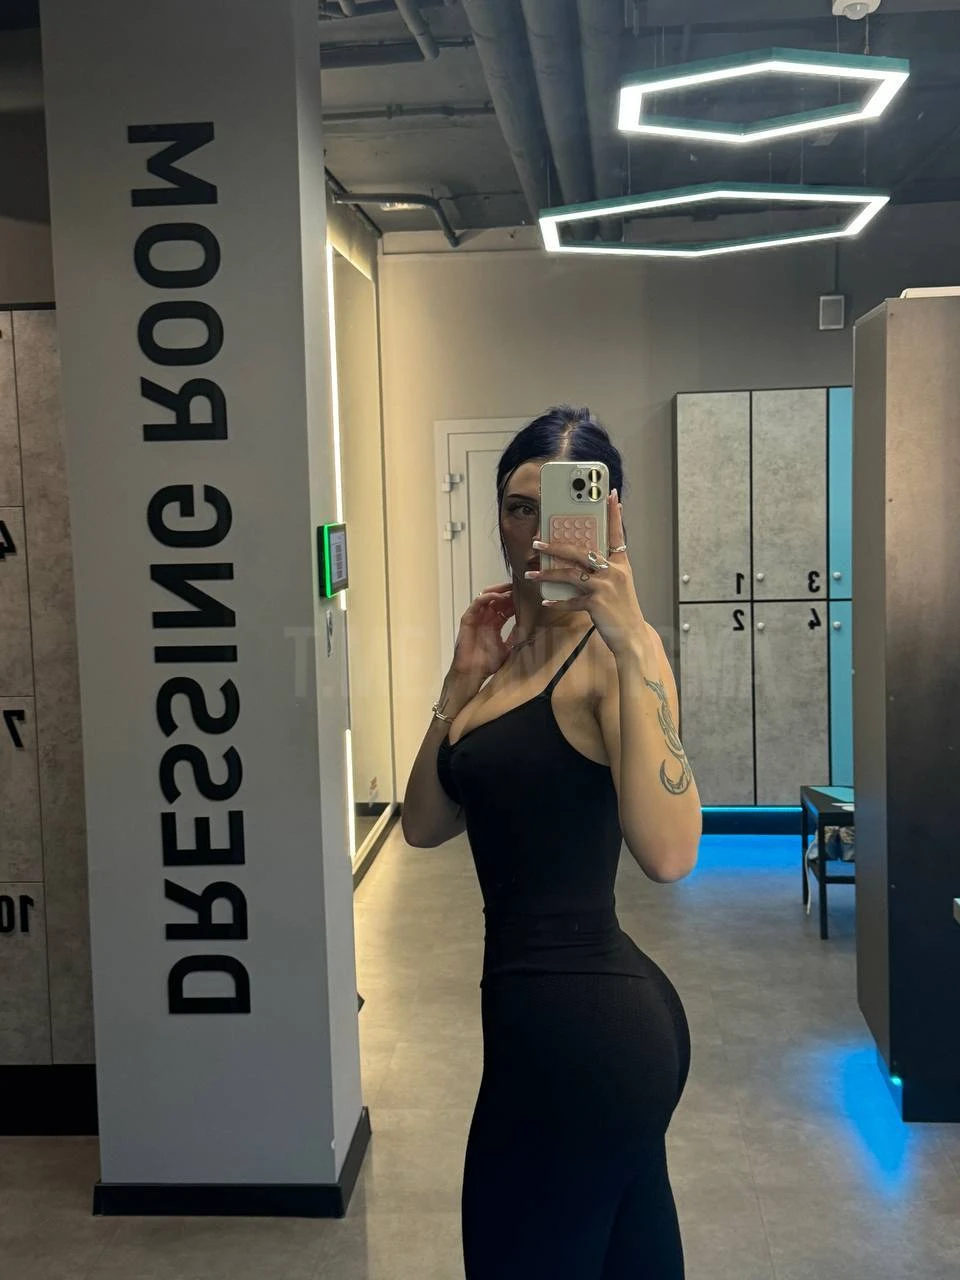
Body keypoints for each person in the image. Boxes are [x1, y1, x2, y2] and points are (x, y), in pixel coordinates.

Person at [401, 406, 702, 1279]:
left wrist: (634, 638)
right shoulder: (503, 661)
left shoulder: (616, 660)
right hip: (541, 1028)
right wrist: (458, 682)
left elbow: (670, 855)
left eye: (562, 507)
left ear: (609, 520)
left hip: (587, 1036)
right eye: (517, 507)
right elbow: (424, 824)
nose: (535, 532)